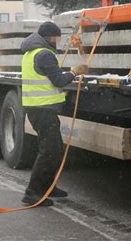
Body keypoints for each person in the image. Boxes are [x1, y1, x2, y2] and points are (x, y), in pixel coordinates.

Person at [20, 21, 88, 206]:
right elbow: (58, 80)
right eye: (56, 37)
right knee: (49, 151)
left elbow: (47, 79)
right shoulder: (44, 54)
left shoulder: (31, 53)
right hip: (43, 109)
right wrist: (74, 72)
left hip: (39, 108)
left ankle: (48, 186)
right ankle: (32, 193)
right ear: (49, 37)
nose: (58, 41)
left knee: (54, 149)